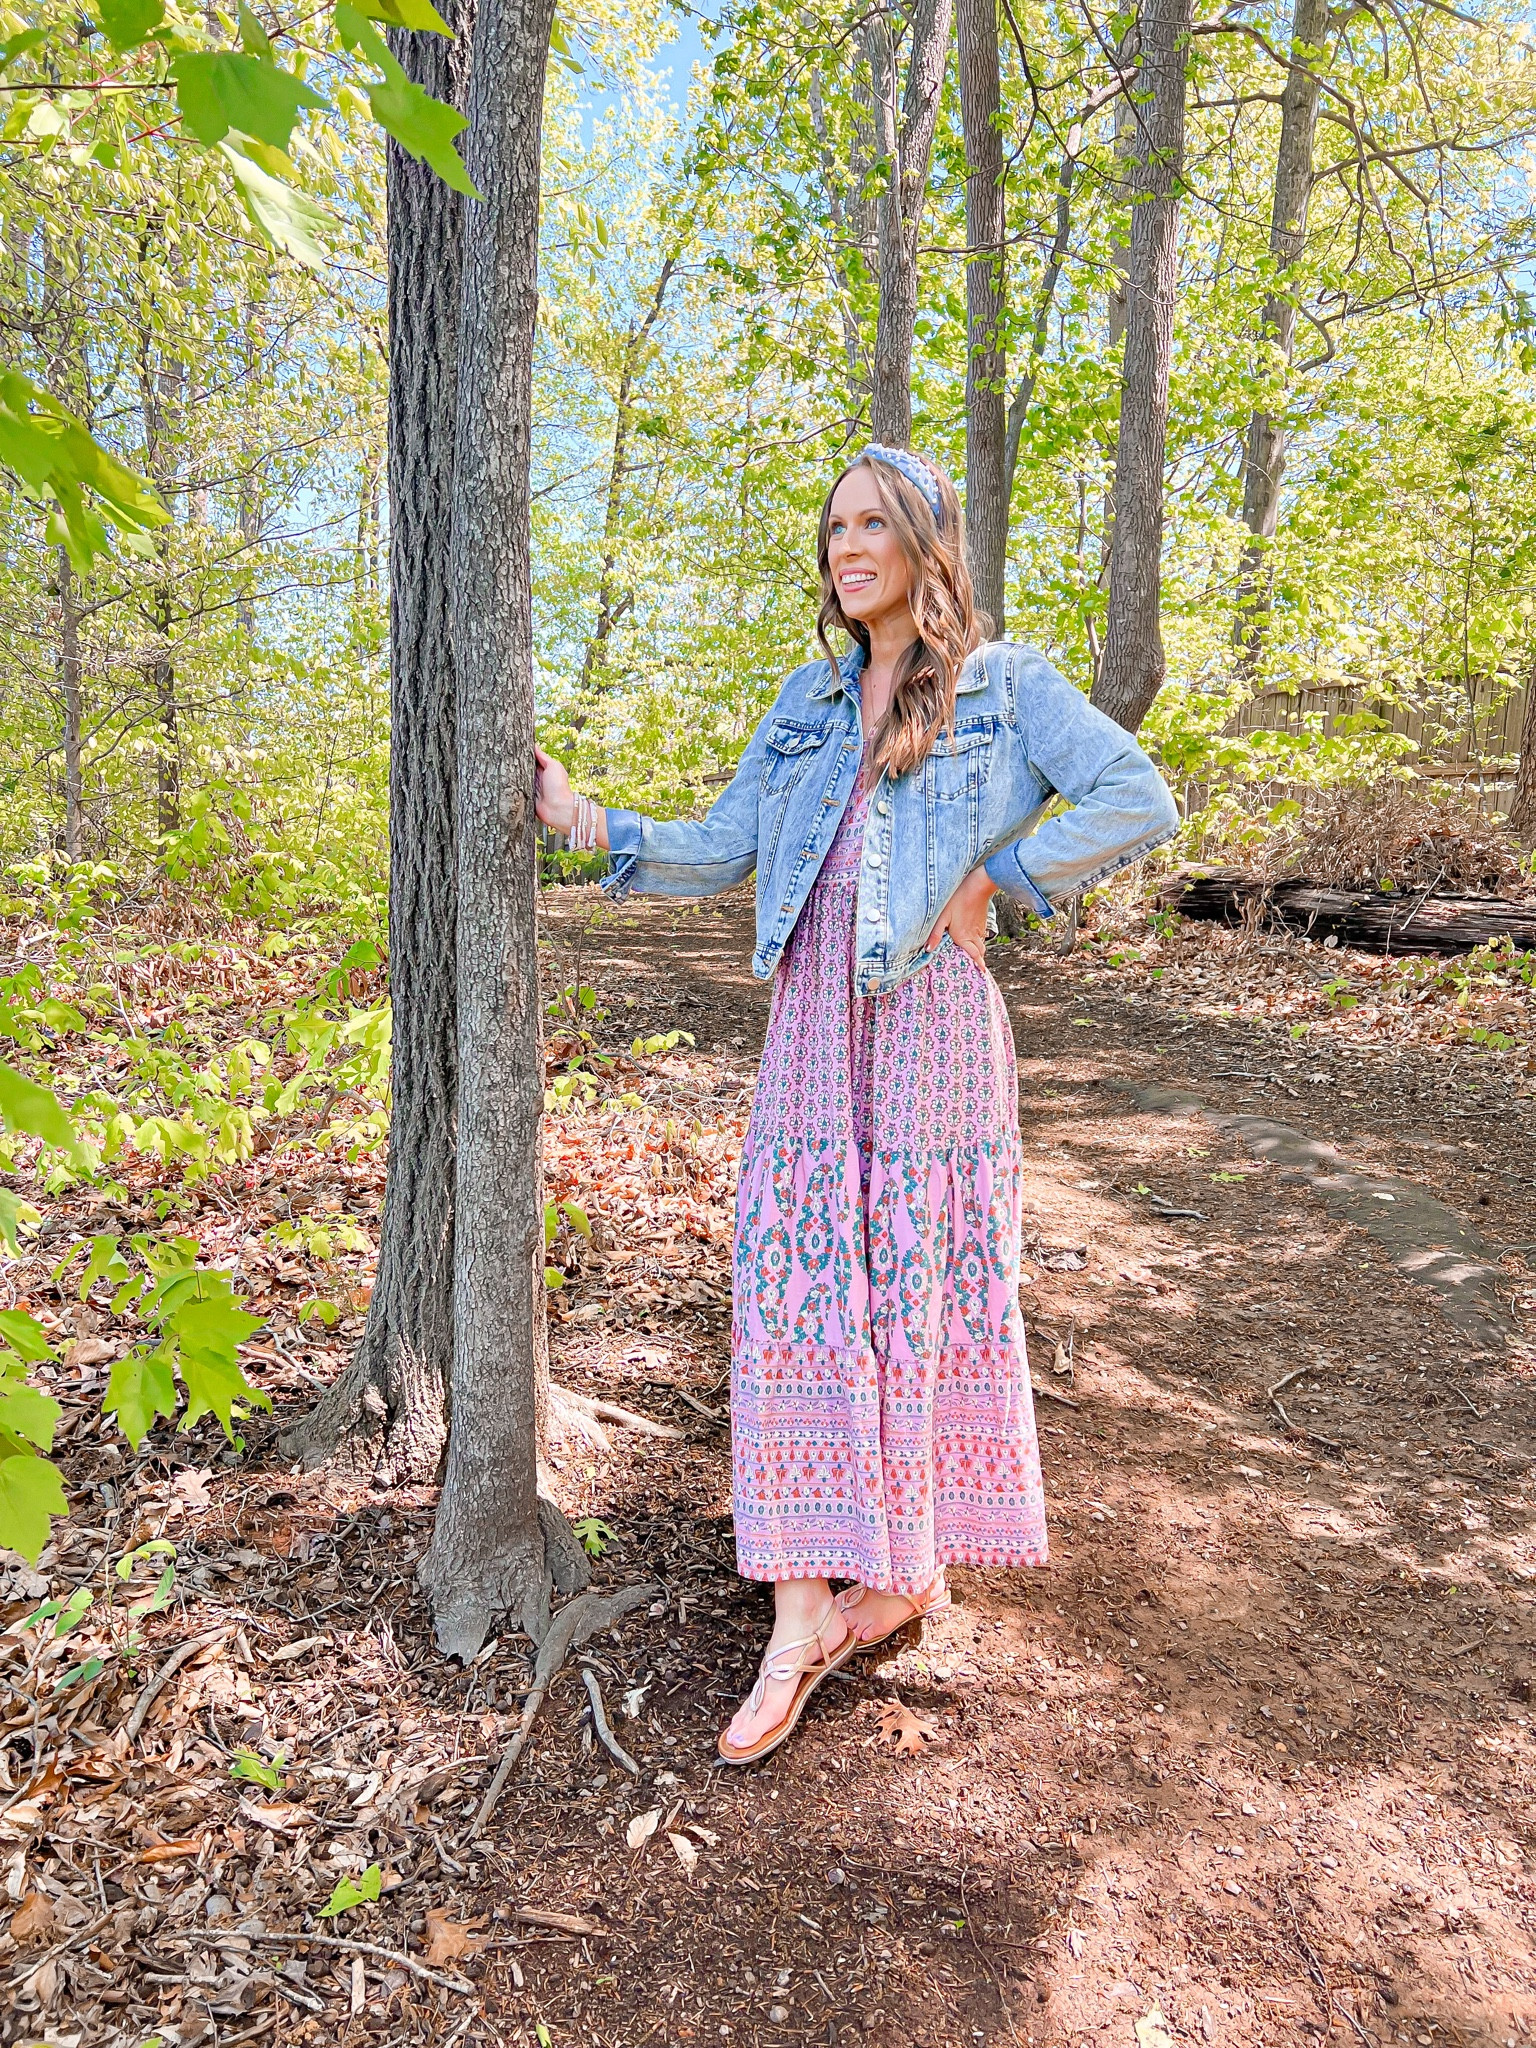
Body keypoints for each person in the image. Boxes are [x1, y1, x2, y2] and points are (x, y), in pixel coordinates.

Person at [534, 445, 1179, 1765]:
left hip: (935, 1029)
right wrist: (587, 818)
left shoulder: (1005, 690)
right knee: (796, 1282)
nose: (846, 545)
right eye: (833, 526)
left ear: (930, 542)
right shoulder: (810, 699)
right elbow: (726, 845)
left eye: (874, 521)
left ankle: (897, 1573)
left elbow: (1137, 795)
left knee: (915, 1293)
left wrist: (1001, 879)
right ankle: (801, 1607)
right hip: (812, 1030)